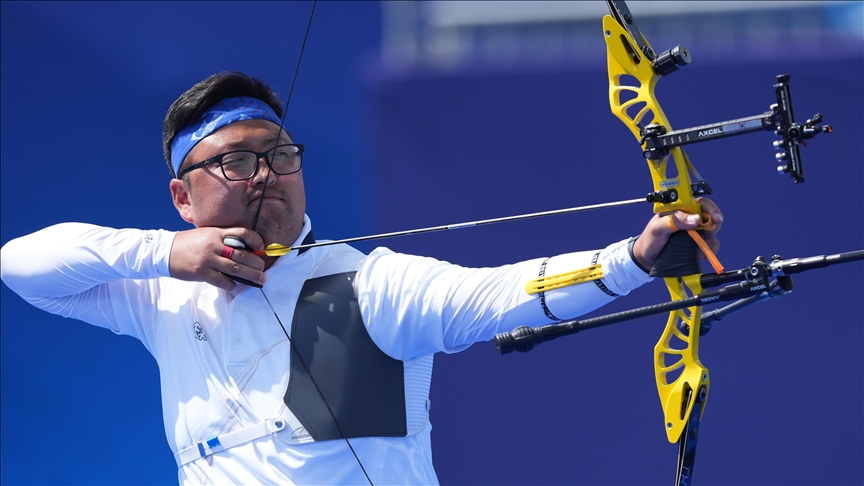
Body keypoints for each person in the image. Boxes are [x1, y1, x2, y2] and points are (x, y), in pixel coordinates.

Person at [0, 71, 722, 485]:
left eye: (281, 154)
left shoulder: (367, 287)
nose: (266, 175)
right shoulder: (161, 294)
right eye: (236, 161)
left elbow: (502, 293)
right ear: (183, 198)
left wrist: (635, 256)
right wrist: (166, 254)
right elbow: (22, 266)